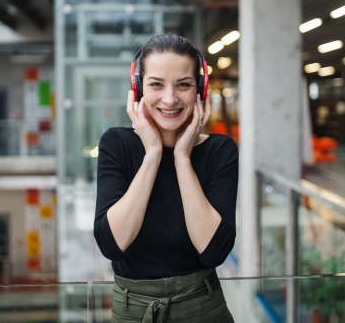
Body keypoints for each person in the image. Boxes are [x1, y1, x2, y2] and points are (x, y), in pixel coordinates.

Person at [94, 34, 239, 323]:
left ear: (200, 90)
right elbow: (112, 245)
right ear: (138, 89)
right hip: (132, 311)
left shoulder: (220, 150)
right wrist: (153, 154)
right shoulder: (116, 144)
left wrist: (182, 157)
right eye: (156, 84)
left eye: (183, 85)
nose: (170, 98)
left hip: (203, 309)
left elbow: (213, 252)